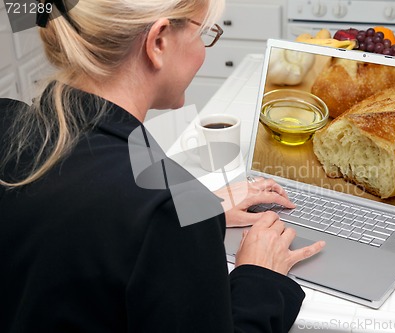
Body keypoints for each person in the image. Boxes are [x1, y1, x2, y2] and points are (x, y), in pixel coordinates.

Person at [0, 0, 325, 332]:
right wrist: (261, 276)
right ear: (158, 42)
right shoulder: (162, 214)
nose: (203, 50)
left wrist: (198, 204)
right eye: (204, 34)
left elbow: (96, 164)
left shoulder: (8, 119)